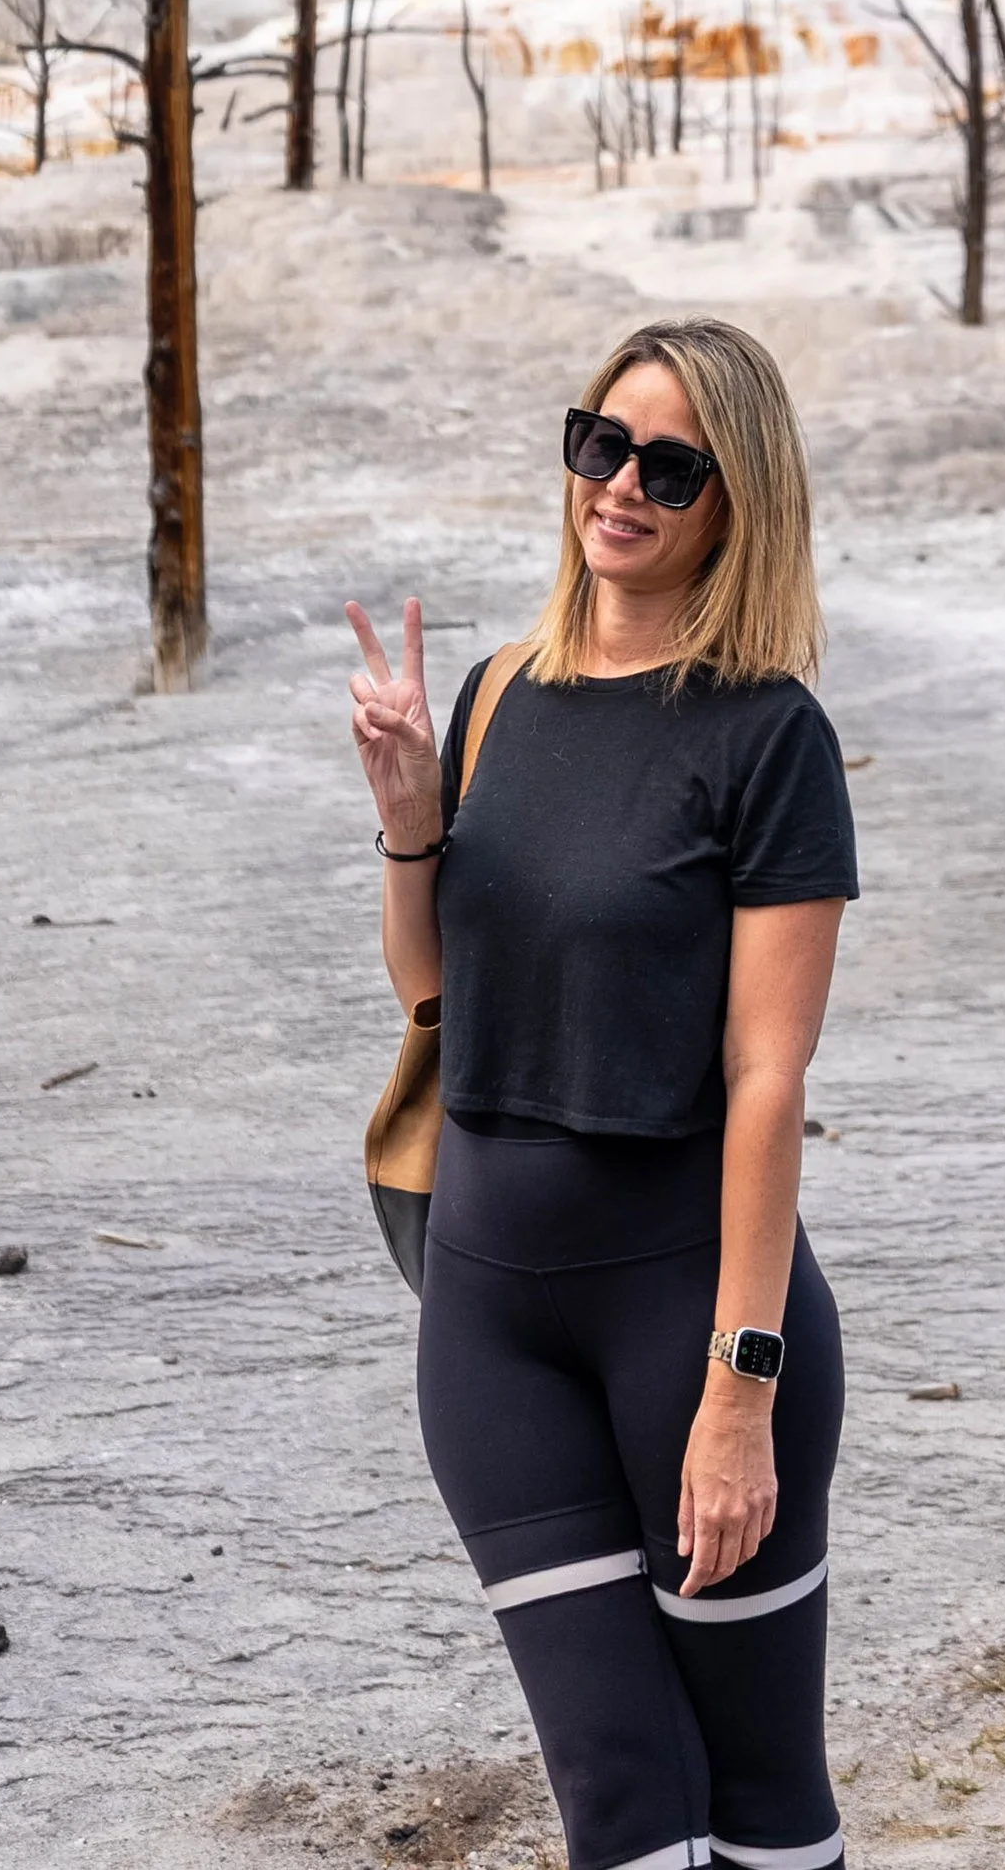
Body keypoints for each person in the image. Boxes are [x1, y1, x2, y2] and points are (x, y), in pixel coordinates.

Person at [347, 314, 858, 1870]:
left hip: (687, 1316)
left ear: (736, 501)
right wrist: (410, 819)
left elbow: (768, 1080)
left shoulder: (769, 736)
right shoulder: (502, 689)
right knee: (625, 1806)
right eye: (600, 440)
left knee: (757, 1799)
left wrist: (741, 1390)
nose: (619, 484)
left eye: (669, 464)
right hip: (489, 1312)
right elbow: (439, 994)